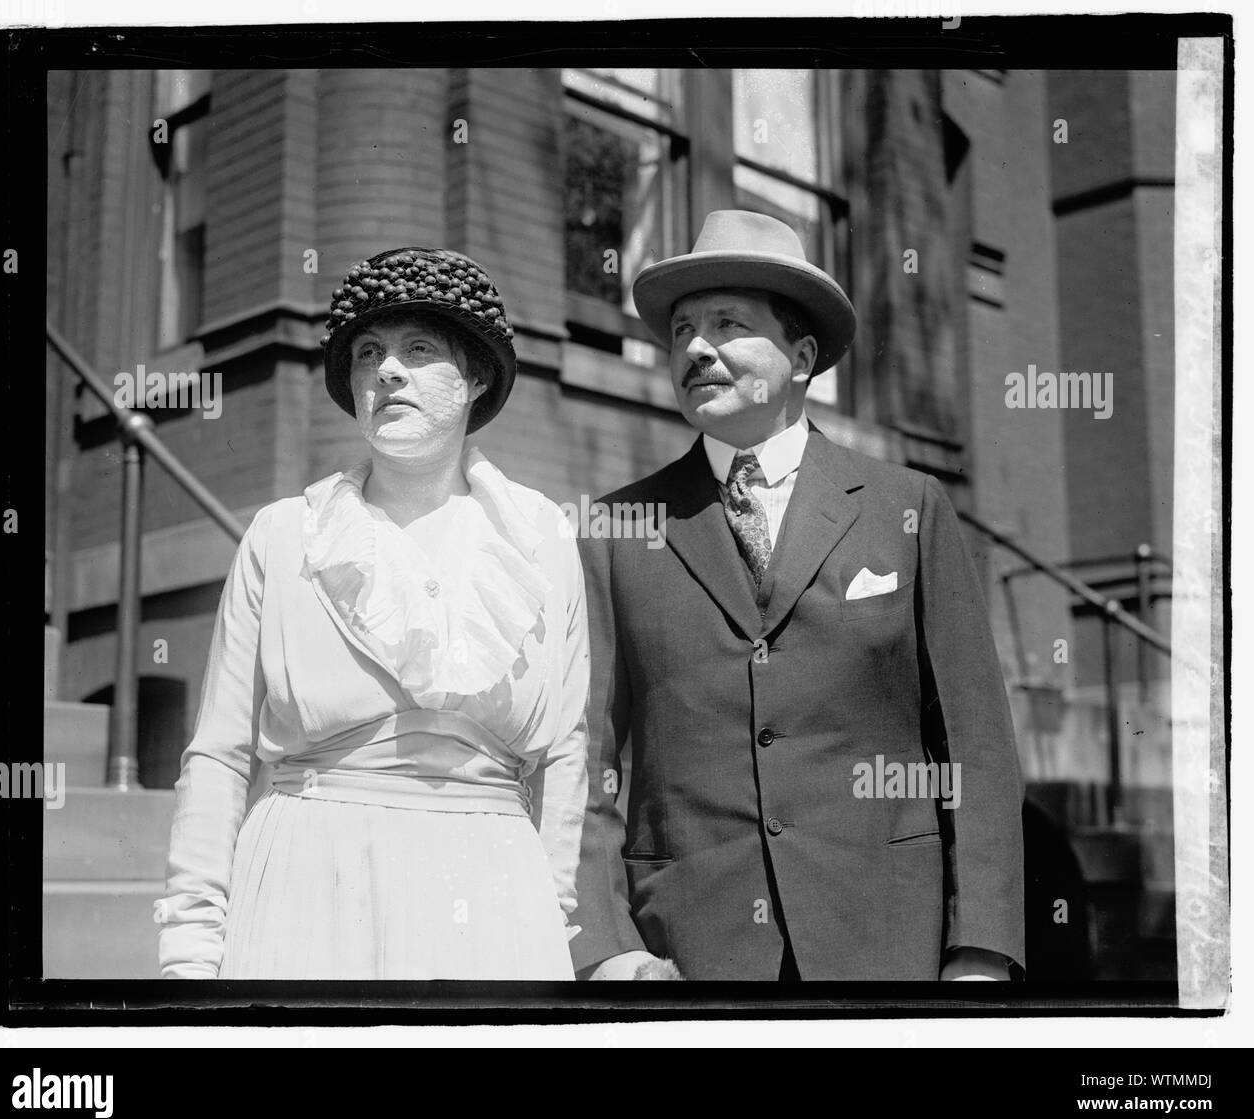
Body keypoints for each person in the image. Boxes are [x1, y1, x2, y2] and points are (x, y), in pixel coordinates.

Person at [570, 211, 1025, 981]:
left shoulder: (907, 509)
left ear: (803, 354)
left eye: (727, 324)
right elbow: (585, 759)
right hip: (685, 962)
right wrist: (610, 950)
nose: (696, 349)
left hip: (887, 952)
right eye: (681, 330)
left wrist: (978, 953)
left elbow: (974, 749)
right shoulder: (616, 530)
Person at [157, 247, 589, 980]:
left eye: (419, 350)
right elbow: (219, 753)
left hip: (494, 898)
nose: (388, 371)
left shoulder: (540, 539)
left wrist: (547, 915)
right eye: (368, 354)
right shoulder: (286, 535)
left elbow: (566, 753)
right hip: (310, 887)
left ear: (475, 377)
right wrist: (191, 951)